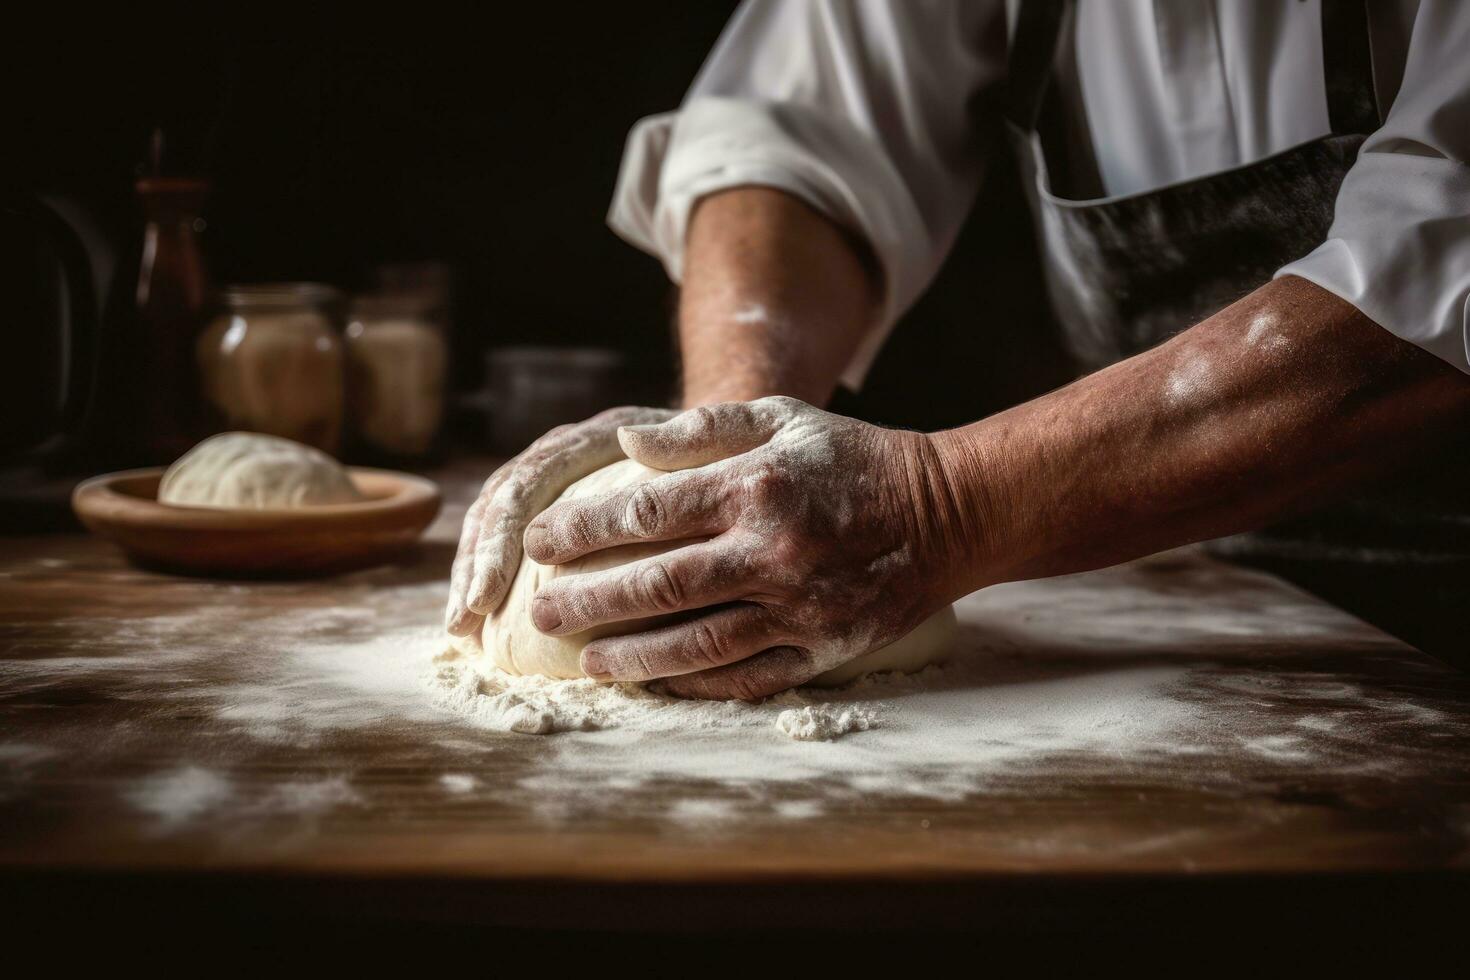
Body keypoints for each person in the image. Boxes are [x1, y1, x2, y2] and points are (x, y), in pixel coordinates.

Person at [446, 1, 1470, 700]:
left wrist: (939, 505)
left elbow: (1442, 261)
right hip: (1207, 603)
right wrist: (734, 453)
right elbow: (791, 132)